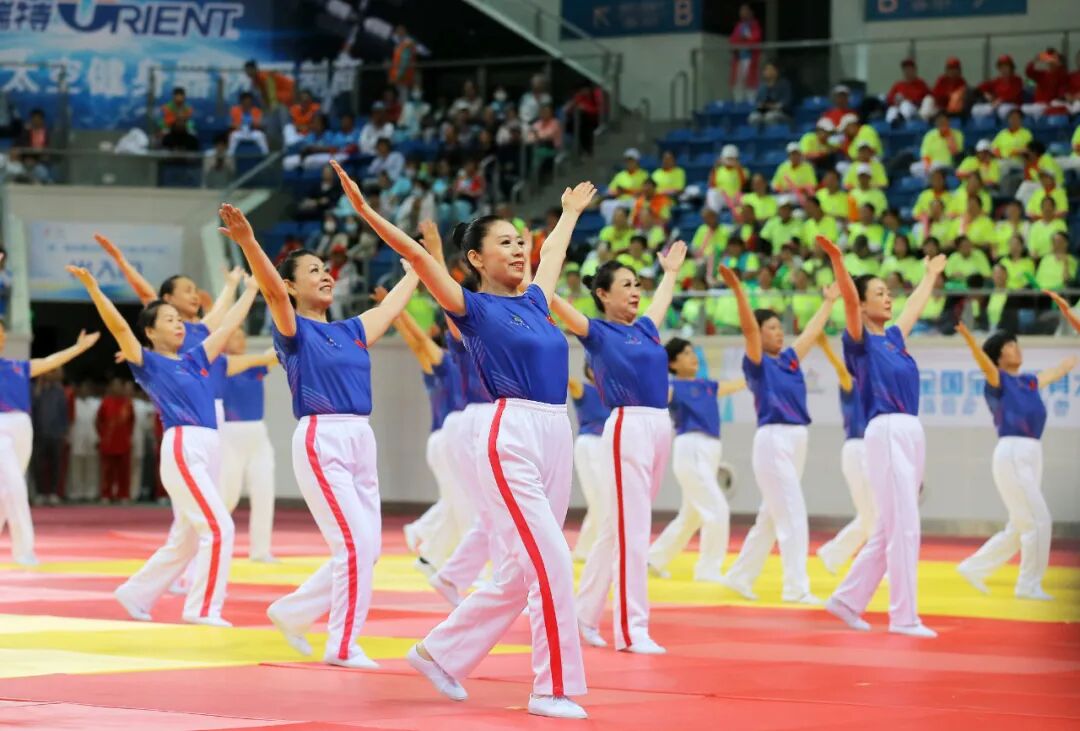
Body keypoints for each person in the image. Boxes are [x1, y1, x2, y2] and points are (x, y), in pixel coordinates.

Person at [330, 157, 596, 718]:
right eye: (506, 243)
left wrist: (570, 213)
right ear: (476, 259)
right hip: (511, 433)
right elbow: (419, 256)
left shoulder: (536, 300)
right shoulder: (470, 306)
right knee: (553, 561)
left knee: (521, 570)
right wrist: (366, 211)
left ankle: (439, 653)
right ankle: (551, 688)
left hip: (556, 430)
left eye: (521, 241)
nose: (520, 249)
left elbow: (553, 253)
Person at [219, 202, 418, 667]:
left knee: (368, 550)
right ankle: (342, 645)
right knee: (354, 546)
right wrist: (249, 242)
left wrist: (417, 269)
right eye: (313, 270)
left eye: (327, 269)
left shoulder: (352, 330)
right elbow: (271, 291)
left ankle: (293, 612)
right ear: (291, 286)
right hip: (321, 437)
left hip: (361, 438)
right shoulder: (293, 330)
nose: (326, 275)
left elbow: (391, 307)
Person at [68, 264, 255, 626]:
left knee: (186, 540)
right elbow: (119, 327)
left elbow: (227, 326)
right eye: (169, 320)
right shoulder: (148, 362)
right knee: (220, 528)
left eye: (178, 319)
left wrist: (250, 289)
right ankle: (202, 609)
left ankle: (135, 593)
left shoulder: (196, 357)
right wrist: (93, 288)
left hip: (209, 445)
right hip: (184, 446)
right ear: (150, 332)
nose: (179, 324)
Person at [552, 242, 690, 654]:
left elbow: (661, 300)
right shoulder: (597, 332)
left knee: (617, 529)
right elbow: (556, 303)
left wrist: (670, 273)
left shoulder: (646, 329)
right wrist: (534, 279)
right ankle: (632, 630)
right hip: (628, 426)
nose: (635, 291)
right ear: (603, 294)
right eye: (626, 285)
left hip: (659, 426)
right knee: (634, 532)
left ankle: (583, 615)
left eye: (637, 285)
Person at [816, 234, 948, 638]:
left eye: (888, 292)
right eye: (879, 293)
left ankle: (846, 600)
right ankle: (904, 617)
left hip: (910, 429)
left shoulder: (893, 338)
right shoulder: (859, 342)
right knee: (905, 526)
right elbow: (849, 301)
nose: (888, 298)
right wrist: (838, 262)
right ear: (861, 303)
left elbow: (914, 306)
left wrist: (930, 276)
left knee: (891, 526)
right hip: (886, 427)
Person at [713, 265, 837, 605]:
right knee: (793, 513)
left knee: (770, 516)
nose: (778, 332)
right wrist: (739, 291)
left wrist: (828, 303)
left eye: (780, 327)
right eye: (771, 327)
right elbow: (748, 329)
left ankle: (740, 576)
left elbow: (811, 333)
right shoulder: (756, 362)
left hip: (797, 439)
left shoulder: (790, 360)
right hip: (773, 439)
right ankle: (796, 587)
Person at [954, 324, 1075, 601]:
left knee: (1020, 525)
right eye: (1009, 345)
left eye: (1016, 343)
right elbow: (982, 362)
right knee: (1039, 521)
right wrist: (970, 340)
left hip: (1032, 452)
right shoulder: (997, 380)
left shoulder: (1029, 381)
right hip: (1013, 452)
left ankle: (973, 568)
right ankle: (1028, 585)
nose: (1016, 348)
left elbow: (1059, 370)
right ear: (998, 357)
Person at [0, 314, 97, 563]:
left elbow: (49, 361)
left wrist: (78, 348)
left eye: (1, 332)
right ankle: (24, 551)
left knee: (5, 489)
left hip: (23, 426)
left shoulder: (17, 366)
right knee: (16, 486)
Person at [648, 338, 745, 581]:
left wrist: (758, 367)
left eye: (693, 352)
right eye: (686, 353)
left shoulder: (708, 386)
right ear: (672, 363)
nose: (693, 357)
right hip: (691, 448)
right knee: (717, 509)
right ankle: (708, 569)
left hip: (710, 451)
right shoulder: (671, 388)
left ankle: (653, 560)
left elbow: (738, 384)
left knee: (691, 516)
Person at [814, 334, 873, 574]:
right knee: (875, 515)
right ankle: (878, 566)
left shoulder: (875, 389)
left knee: (870, 514)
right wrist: (825, 346)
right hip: (857, 449)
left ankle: (833, 553)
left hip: (872, 450)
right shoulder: (852, 383)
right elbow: (841, 370)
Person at [220, 329, 279, 563]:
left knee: (264, 492)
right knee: (227, 496)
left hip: (257, 434)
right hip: (229, 435)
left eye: (244, 336)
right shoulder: (220, 366)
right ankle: (214, 544)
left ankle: (261, 550)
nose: (242, 340)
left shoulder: (254, 365)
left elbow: (275, 354)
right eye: (235, 336)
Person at [568, 364, 610, 563]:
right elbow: (565, 379)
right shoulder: (583, 388)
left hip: (608, 445)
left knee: (602, 499)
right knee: (599, 498)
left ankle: (583, 551)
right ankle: (607, 549)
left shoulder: (613, 394)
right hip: (590, 444)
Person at [96, 377, 134, 504]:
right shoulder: (105, 402)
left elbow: (131, 422)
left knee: (124, 471)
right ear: (111, 387)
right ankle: (106, 494)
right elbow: (98, 421)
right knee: (107, 471)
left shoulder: (128, 404)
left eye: (119, 385)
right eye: (115, 385)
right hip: (108, 442)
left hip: (123, 442)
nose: (117, 388)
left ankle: (123, 494)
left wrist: (128, 436)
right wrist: (102, 436)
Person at [68, 380, 101, 503]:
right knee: (76, 467)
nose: (84, 391)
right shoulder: (74, 403)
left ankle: (91, 492)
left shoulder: (96, 403)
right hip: (77, 437)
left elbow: (100, 421)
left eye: (87, 388)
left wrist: (99, 437)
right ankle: (76, 492)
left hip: (92, 437)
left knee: (92, 466)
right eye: (82, 388)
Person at [972, 55, 1023, 121]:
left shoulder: (1017, 80)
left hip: (1012, 106)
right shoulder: (996, 81)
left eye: (1006, 67)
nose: (1004, 69)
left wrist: (999, 101)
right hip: (996, 105)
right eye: (1001, 67)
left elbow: (1012, 94)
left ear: (1011, 68)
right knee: (975, 109)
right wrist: (985, 94)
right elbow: (979, 87)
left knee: (1002, 109)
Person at [729, 3, 762, 102]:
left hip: (750, 60)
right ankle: (738, 105)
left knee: (750, 86)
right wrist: (741, 41)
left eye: (745, 10)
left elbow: (756, 39)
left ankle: (750, 105)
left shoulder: (755, 25)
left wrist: (744, 39)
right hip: (738, 60)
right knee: (737, 85)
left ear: (751, 12)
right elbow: (732, 41)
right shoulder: (738, 26)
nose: (742, 12)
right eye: (741, 10)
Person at [884, 59, 930, 124]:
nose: (907, 71)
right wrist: (895, 101)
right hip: (898, 108)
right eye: (905, 69)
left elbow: (927, 99)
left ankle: (900, 120)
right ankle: (892, 124)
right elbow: (889, 99)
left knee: (905, 105)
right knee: (892, 109)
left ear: (914, 70)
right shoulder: (898, 85)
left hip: (915, 110)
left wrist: (907, 100)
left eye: (909, 69)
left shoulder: (921, 84)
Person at [748, 61, 792, 126]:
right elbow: (757, 101)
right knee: (753, 117)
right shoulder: (762, 86)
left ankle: (776, 132)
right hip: (763, 111)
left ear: (776, 71)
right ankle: (758, 132)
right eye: (766, 70)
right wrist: (762, 106)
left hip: (781, 113)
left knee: (770, 117)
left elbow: (786, 102)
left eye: (770, 69)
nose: (767, 72)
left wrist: (773, 106)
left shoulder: (784, 84)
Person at [389, 25, 417, 100]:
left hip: (404, 74)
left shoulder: (408, 43)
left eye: (401, 31)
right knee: (399, 95)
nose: (399, 33)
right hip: (398, 73)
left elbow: (405, 60)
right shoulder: (398, 43)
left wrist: (399, 75)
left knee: (403, 96)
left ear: (405, 32)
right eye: (397, 31)